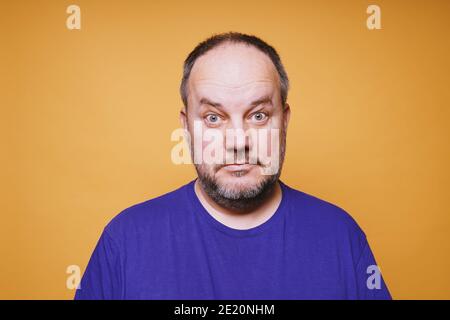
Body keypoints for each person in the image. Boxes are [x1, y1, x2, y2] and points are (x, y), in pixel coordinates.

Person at [74, 32, 391, 299]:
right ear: (186, 127)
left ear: (285, 120)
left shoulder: (340, 237)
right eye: (213, 118)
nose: (238, 140)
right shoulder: (125, 241)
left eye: (258, 115)